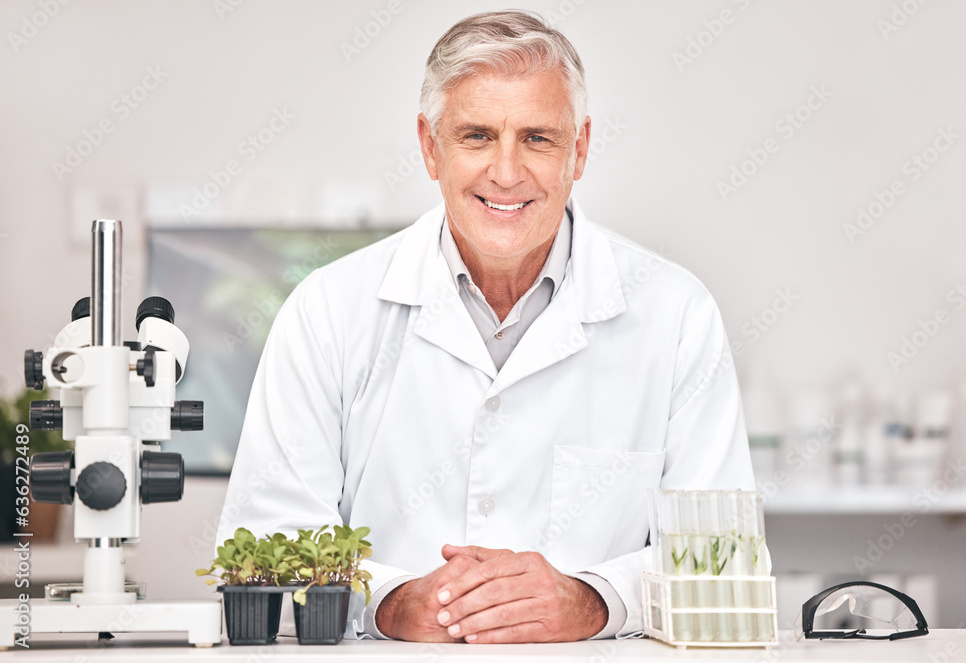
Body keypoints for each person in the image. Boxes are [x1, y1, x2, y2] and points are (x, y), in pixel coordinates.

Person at [218, 10, 755, 643]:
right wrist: (389, 602)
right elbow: (264, 535)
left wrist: (593, 600)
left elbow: (724, 557)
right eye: (476, 135)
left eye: (537, 138)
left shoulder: (675, 314)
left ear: (579, 149)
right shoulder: (329, 311)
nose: (506, 172)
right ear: (429, 146)